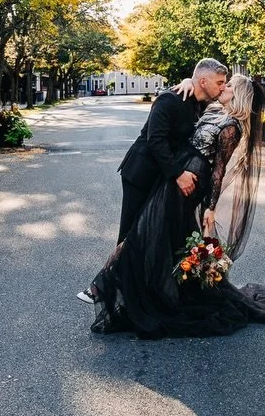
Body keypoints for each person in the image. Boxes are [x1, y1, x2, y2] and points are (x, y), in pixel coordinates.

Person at [87, 74, 265, 338]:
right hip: (176, 176)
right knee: (152, 232)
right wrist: (188, 79)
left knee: (147, 231)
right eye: (222, 83)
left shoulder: (232, 126)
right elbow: (196, 91)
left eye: (228, 86)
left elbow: (218, 171)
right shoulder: (212, 110)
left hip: (191, 181)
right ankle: (143, 292)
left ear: (239, 95)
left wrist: (210, 208)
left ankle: (105, 286)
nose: (223, 87)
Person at [77, 58, 229, 304]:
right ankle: (105, 290)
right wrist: (178, 174)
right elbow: (154, 140)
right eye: (219, 82)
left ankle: (142, 292)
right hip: (141, 174)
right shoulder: (170, 99)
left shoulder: (197, 103)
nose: (222, 87)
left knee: (151, 234)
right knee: (131, 232)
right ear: (203, 80)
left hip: (162, 180)